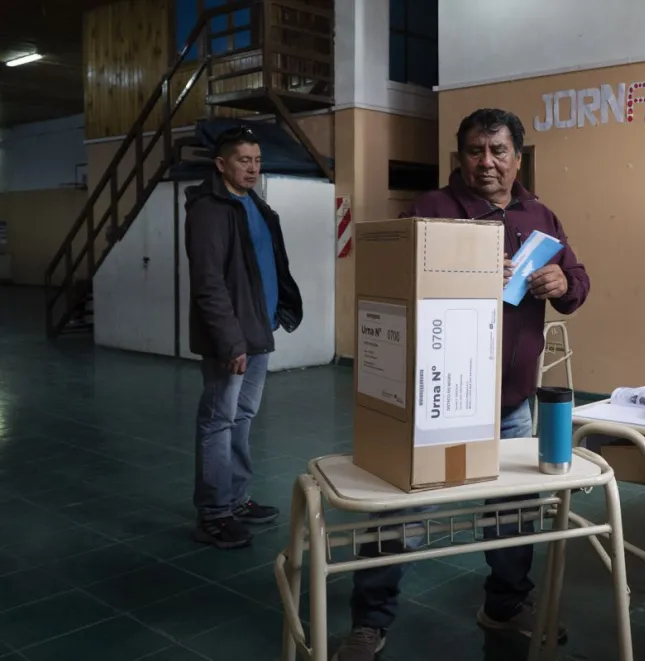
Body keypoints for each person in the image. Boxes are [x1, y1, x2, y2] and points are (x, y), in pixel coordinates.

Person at [331, 108, 590, 661]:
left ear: (517, 158)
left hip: (512, 402)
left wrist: (563, 280)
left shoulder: (538, 214)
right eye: (476, 151)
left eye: (499, 151)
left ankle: (504, 604)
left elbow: (578, 283)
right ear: (461, 157)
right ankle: (370, 620)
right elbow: (396, 278)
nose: (487, 162)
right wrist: (465, 271)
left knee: (515, 516)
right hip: (440, 402)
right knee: (401, 511)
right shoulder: (431, 211)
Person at [185, 126, 303, 550]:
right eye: (243, 160)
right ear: (221, 164)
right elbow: (209, 283)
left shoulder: (251, 203)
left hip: (258, 330)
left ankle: (235, 499)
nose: (252, 168)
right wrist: (229, 341)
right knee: (218, 420)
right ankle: (214, 514)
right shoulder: (209, 209)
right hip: (232, 338)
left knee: (242, 417)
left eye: (256, 160)